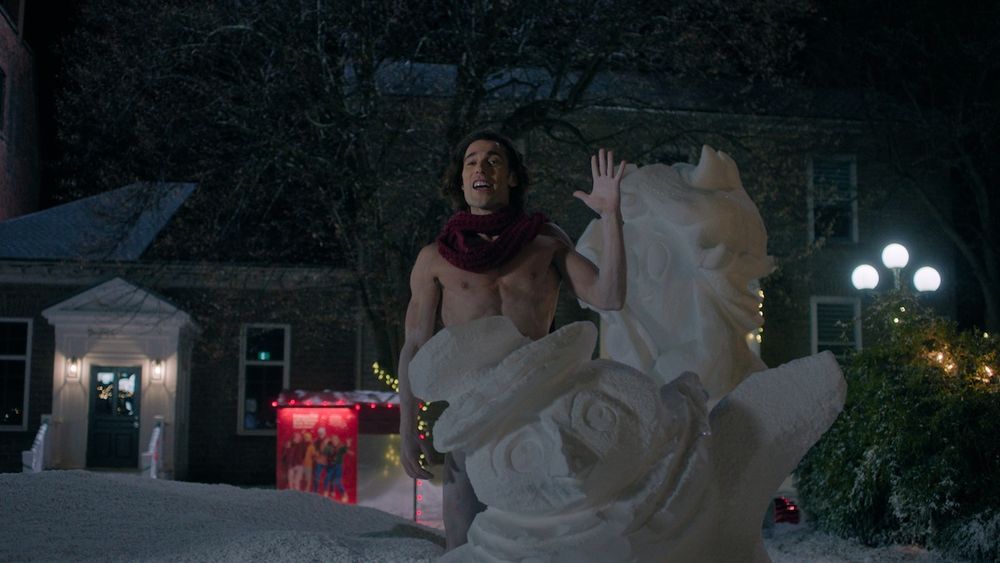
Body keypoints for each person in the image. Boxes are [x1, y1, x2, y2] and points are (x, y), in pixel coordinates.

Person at [397, 130, 627, 551]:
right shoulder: (435, 258)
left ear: (513, 177)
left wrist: (611, 216)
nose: (481, 168)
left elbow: (609, 297)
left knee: (543, 544)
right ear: (461, 181)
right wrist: (407, 424)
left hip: (540, 411)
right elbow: (414, 346)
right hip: (472, 418)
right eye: (471, 162)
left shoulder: (546, 243)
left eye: (493, 160)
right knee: (464, 545)